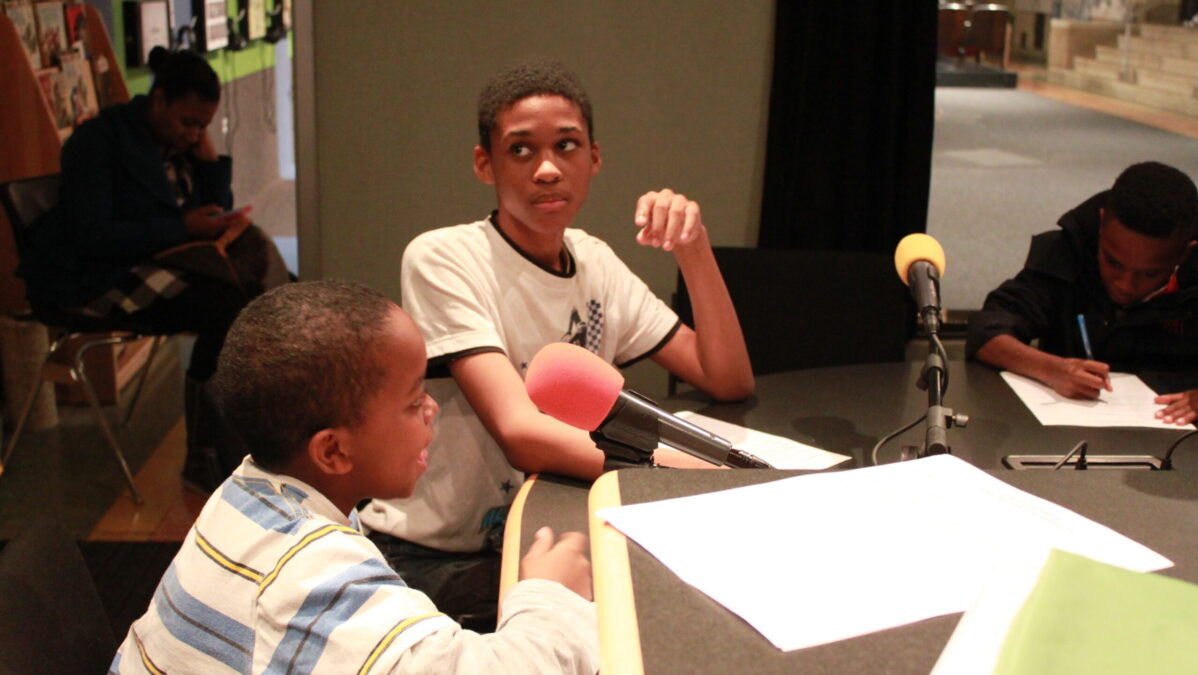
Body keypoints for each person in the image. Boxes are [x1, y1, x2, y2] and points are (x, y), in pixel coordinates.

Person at [361, 58, 754, 621]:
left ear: (594, 157)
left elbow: (727, 377)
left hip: (547, 525)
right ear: (484, 164)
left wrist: (694, 248)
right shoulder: (443, 256)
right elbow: (521, 432)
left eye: (566, 146)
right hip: (435, 554)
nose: (547, 169)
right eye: (521, 150)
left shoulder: (595, 260)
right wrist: (685, 472)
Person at [109, 280, 599, 674]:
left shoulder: (250, 489)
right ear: (334, 450)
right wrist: (549, 595)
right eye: (412, 402)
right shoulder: (306, 575)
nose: (431, 408)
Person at [19, 46, 287, 492]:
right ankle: (204, 454)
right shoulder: (99, 141)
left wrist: (206, 158)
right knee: (223, 310)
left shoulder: (173, 142)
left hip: (151, 257)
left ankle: (255, 432)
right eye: (188, 123)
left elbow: (210, 206)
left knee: (268, 290)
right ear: (158, 100)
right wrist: (181, 225)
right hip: (92, 276)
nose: (192, 134)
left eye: (202, 127)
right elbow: (93, 235)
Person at [967, 161, 1198, 424]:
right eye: (1113, 263)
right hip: (1065, 436)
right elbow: (986, 331)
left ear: (1185, 253)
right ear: (1102, 226)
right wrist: (1052, 370)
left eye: (1149, 274)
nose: (1125, 285)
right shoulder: (1070, 251)